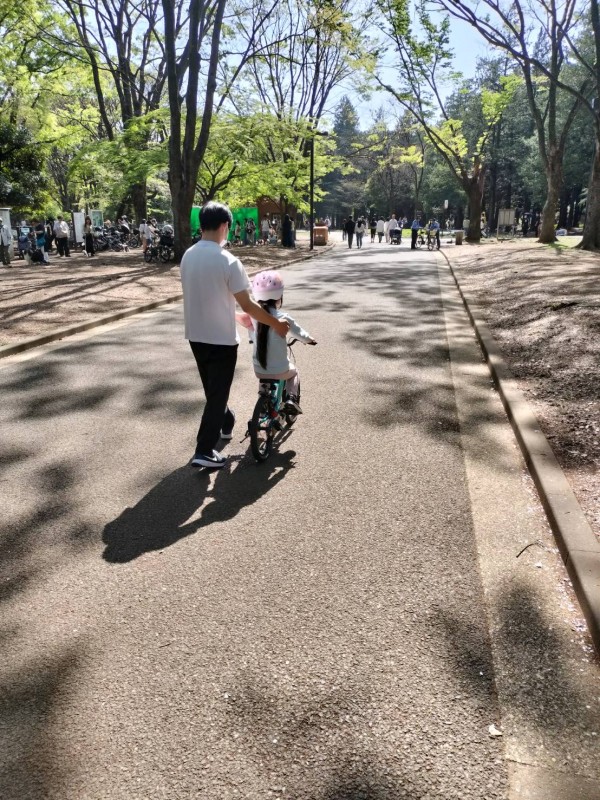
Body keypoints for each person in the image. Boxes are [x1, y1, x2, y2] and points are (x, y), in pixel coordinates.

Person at [180, 201, 290, 470]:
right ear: (225, 225)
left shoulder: (188, 256)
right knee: (217, 395)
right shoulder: (228, 261)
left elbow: (208, 298)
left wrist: (235, 316)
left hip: (195, 335)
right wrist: (275, 325)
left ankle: (226, 423)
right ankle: (204, 450)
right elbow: (250, 305)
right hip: (220, 340)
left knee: (213, 392)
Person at [251, 270, 317, 415]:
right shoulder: (282, 317)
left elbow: (252, 335)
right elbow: (299, 333)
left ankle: (262, 406)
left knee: (265, 374)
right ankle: (291, 399)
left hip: (258, 370)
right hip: (280, 370)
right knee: (294, 373)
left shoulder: (254, 317)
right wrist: (309, 340)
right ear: (279, 296)